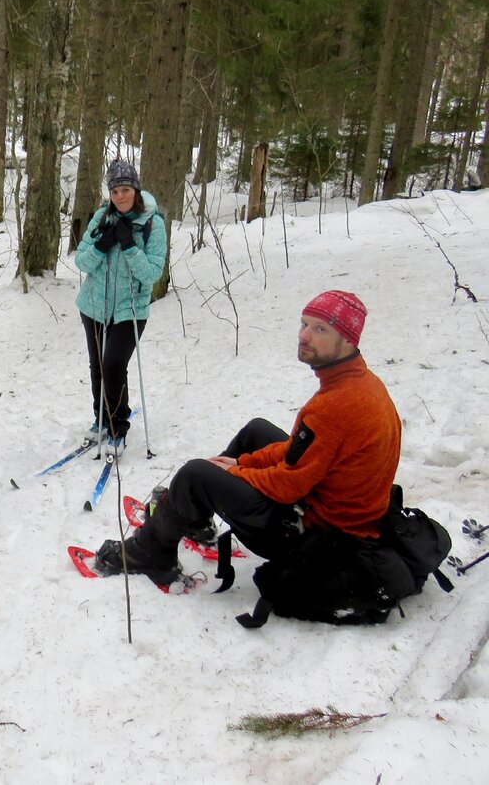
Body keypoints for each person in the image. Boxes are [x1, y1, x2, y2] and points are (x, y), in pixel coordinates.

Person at [93, 290, 401, 587]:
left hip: (319, 538)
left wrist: (234, 472)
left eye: (320, 329)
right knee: (257, 432)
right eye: (304, 324)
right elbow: (299, 452)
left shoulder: (336, 406)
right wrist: (241, 461)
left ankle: (149, 554)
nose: (304, 336)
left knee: (195, 474)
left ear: (348, 339)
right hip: (326, 508)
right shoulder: (359, 384)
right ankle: (193, 515)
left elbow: (290, 484)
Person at [73, 159, 167, 450]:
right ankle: (101, 419)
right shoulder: (102, 217)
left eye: (126, 189)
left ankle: (118, 426)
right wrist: (103, 244)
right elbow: (80, 260)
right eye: (115, 191)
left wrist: (129, 246)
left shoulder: (153, 223)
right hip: (94, 306)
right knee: (98, 367)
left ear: (136, 190)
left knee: (114, 365)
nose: (120, 196)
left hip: (131, 310)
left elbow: (152, 273)